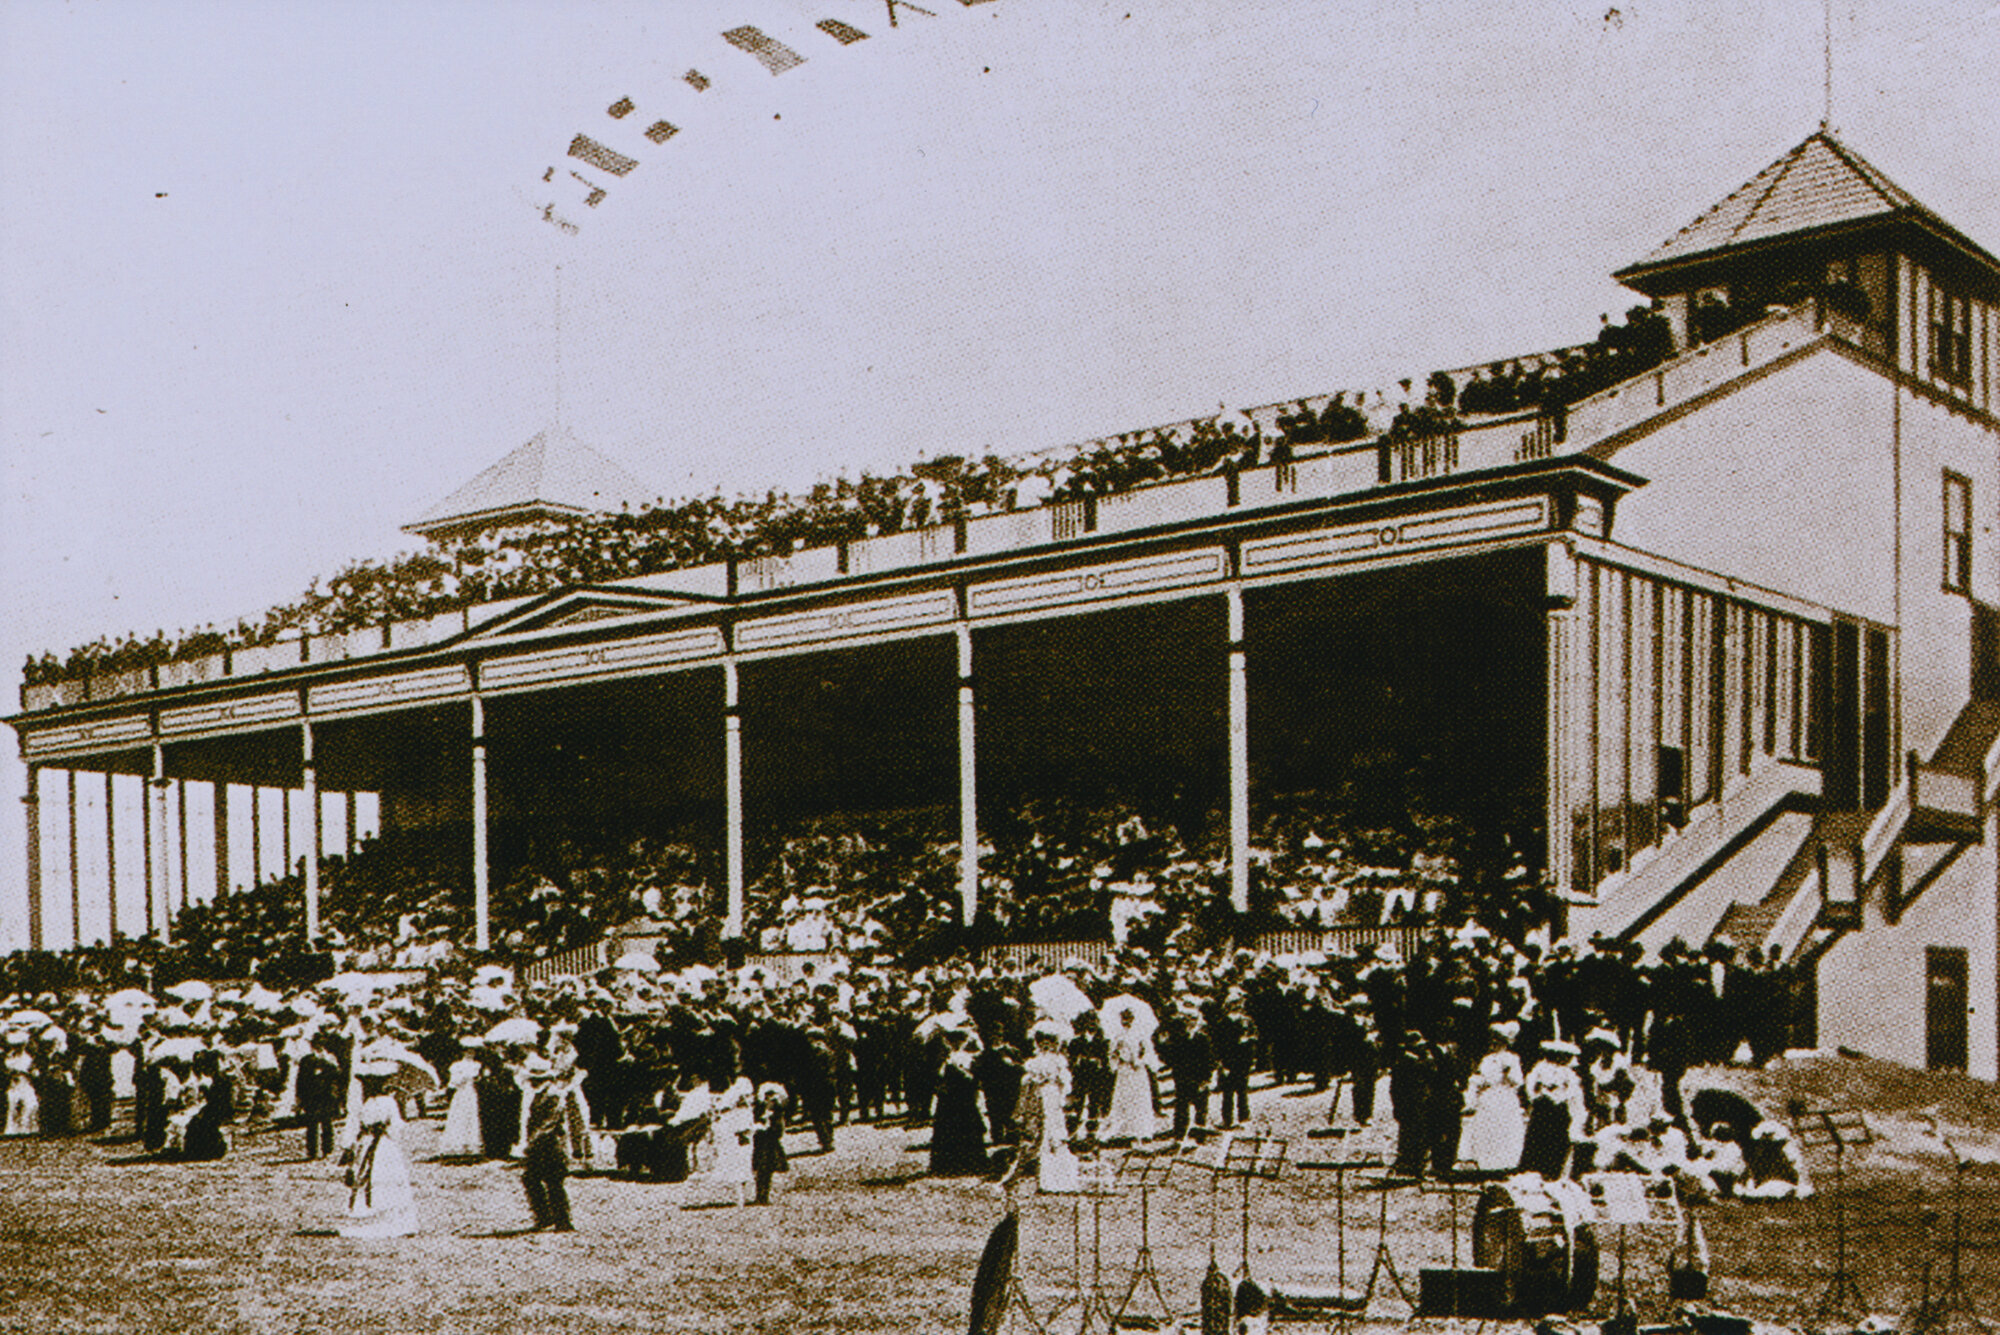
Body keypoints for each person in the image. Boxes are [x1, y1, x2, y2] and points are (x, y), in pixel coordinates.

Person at [337, 1066, 420, 1237]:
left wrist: (350, 1146)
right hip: (383, 1144)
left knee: (367, 1175)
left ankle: (368, 1214)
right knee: (385, 1176)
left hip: (366, 1143)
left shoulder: (363, 1102)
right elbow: (396, 1127)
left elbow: (353, 1126)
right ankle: (390, 1219)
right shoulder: (389, 1102)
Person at [1000, 1022, 1079, 1194]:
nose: (1045, 1044)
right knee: (1038, 1136)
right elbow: (1027, 1084)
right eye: (1042, 1040)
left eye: (1049, 1041)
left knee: (1055, 1136)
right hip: (1038, 1097)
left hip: (1053, 1097)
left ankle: (1060, 1180)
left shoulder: (1059, 1061)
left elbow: (1065, 1084)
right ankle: (1039, 1179)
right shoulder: (1033, 1062)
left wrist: (1060, 1094)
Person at [1458, 1024, 1526, 1173]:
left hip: (1504, 1094)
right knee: (1487, 1126)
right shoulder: (1487, 1059)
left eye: (1498, 1041)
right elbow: (1482, 1076)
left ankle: (1505, 1162)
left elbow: (1518, 1081)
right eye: (1493, 1041)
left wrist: (1508, 1074)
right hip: (1489, 1095)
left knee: (1504, 1127)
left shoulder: (1512, 1058)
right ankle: (1487, 1162)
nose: (1494, 1044)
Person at [516, 1057, 574, 1231]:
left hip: (552, 1145)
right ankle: (546, 1217)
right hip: (541, 1145)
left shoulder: (554, 1095)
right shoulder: (543, 1093)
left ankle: (561, 1220)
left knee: (553, 1182)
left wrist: (530, 1143)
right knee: (532, 1179)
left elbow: (548, 1124)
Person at [1520, 1039, 1586, 1179]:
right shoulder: (1539, 1068)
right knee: (1537, 1138)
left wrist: (1559, 1097)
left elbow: (1572, 1091)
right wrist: (1538, 1095)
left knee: (1556, 1140)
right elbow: (1530, 1084)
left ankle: (1551, 1170)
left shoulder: (1569, 1073)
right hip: (1543, 1108)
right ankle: (1532, 1168)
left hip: (1559, 1110)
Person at [929, 1028, 990, 1177]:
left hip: (962, 1096)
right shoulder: (945, 1058)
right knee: (952, 1127)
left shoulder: (966, 1058)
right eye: (952, 1041)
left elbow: (974, 1078)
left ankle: (967, 1162)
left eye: (959, 1041)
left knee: (964, 1126)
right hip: (951, 1097)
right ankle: (951, 1164)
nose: (956, 1044)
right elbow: (937, 1078)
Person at [1102, 1007, 1159, 1144]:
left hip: (1137, 1070)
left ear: (1133, 1020)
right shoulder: (1118, 1036)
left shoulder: (1140, 1034)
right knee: (1123, 1097)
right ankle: (1123, 1130)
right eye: (1124, 1019)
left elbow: (1148, 1052)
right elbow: (1111, 1053)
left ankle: (1142, 1130)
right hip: (1124, 1070)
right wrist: (1116, 1061)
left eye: (1129, 1019)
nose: (1126, 1022)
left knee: (1139, 1098)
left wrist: (1140, 1061)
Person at [435, 1041, 485, 1158]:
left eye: (473, 1050)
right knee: (460, 1116)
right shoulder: (456, 1066)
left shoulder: (478, 1065)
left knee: (472, 1116)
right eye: (468, 1050)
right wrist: (464, 1078)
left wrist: (477, 1079)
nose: (470, 1053)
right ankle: (457, 1144)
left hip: (473, 1092)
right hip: (462, 1093)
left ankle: (472, 1145)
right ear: (463, 1051)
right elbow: (452, 1083)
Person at [751, 1082, 790, 1205]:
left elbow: (779, 1130)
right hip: (761, 1142)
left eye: (772, 1095)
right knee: (762, 1170)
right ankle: (761, 1196)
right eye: (768, 1095)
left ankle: (763, 1196)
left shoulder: (778, 1111)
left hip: (770, 1143)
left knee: (766, 1171)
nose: (770, 1098)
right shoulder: (760, 1108)